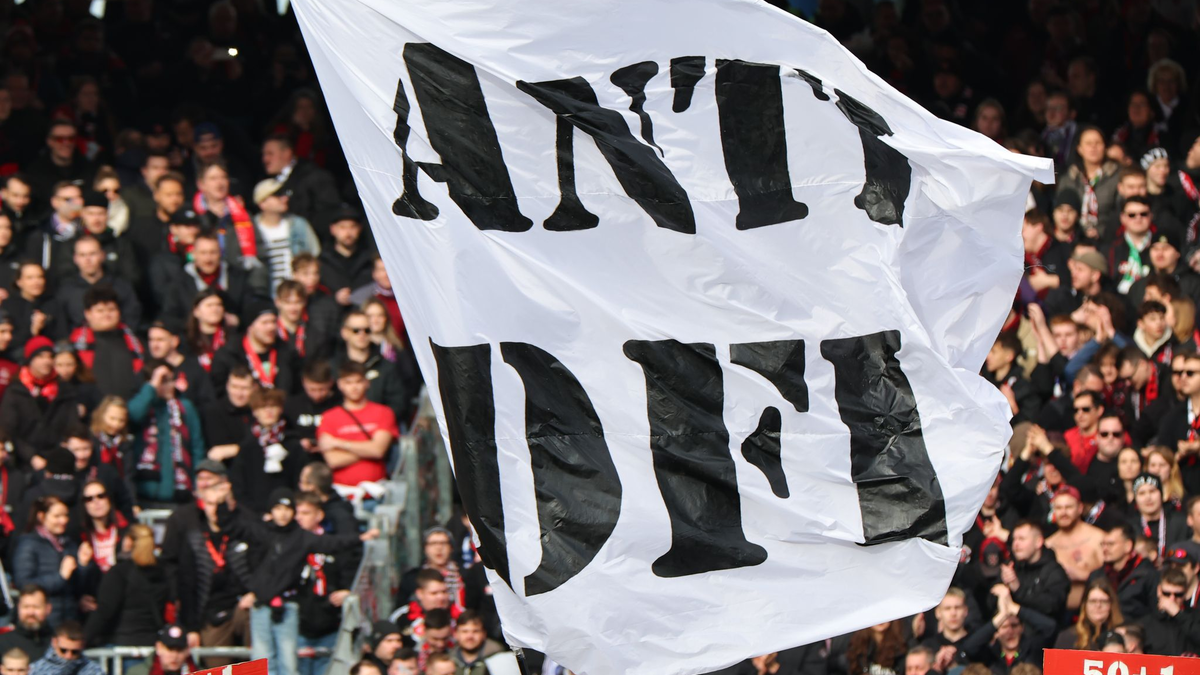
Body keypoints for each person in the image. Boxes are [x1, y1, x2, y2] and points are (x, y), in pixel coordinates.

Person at [218, 485, 374, 675]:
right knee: (262, 661)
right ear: (271, 511)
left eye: (287, 509)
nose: (282, 514)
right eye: (277, 509)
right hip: (261, 604)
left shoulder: (302, 538)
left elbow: (334, 543)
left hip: (287, 606)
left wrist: (360, 538)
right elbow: (232, 527)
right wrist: (223, 503)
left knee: (289, 663)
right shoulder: (262, 532)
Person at [317, 362, 398, 500]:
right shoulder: (329, 417)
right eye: (348, 382)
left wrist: (338, 443)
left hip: (377, 492)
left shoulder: (384, 412)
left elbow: (378, 450)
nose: (354, 387)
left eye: (358, 381)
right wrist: (369, 448)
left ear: (367, 383)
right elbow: (333, 460)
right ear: (340, 384)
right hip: (343, 495)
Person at [129, 360, 205, 506]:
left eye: (171, 380)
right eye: (163, 381)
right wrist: (151, 387)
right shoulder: (144, 406)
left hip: (181, 490)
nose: (169, 386)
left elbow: (197, 447)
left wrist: (198, 483)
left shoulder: (185, 407)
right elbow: (132, 415)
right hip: (146, 491)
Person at [295, 491, 355, 675]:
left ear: (319, 515)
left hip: (330, 625)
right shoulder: (289, 546)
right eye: (297, 513)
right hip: (298, 627)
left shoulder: (334, 544)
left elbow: (349, 573)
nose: (299, 518)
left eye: (305, 513)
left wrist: (347, 591)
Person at [0, 336, 81, 468]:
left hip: (56, 458)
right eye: (40, 356)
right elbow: (9, 431)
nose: (47, 361)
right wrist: (31, 456)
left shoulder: (64, 390)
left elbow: (71, 424)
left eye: (50, 357)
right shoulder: (16, 391)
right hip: (23, 463)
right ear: (30, 359)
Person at [83, 524, 167, 648]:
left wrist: (82, 640)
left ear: (128, 541)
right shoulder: (163, 571)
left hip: (122, 643)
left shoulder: (119, 572)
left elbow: (105, 611)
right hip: (153, 644)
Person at [12, 497, 91, 627]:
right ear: (42, 516)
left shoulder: (68, 544)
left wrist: (83, 564)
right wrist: (60, 577)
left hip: (69, 618)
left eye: (66, 515)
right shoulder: (28, 544)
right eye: (57, 516)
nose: (63, 520)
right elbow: (24, 584)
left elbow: (76, 587)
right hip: (44, 621)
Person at [231, 388, 301, 515]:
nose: (268, 411)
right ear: (254, 412)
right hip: (256, 517)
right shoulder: (247, 446)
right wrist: (256, 514)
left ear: (280, 409)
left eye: (273, 406)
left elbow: (299, 482)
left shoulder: (293, 444)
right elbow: (239, 486)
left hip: (288, 514)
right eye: (263, 407)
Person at [161, 231, 256, 324]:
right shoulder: (179, 282)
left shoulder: (238, 277)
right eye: (203, 253)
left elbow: (251, 310)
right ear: (194, 254)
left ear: (220, 253)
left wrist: (238, 320)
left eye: (213, 252)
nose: (208, 259)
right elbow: (170, 316)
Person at [67, 286, 144, 399]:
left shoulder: (135, 343)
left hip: (131, 406)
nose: (106, 315)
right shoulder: (75, 346)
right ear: (88, 314)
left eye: (111, 309)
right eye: (100, 310)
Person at [55, 234, 141, 332]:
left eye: (92, 254)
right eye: (82, 255)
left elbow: (132, 318)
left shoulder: (121, 286)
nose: (88, 260)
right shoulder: (66, 290)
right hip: (79, 344)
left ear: (102, 255)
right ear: (75, 258)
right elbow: (61, 327)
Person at [211, 301, 300, 393]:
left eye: (273, 322)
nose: (271, 327)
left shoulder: (287, 352)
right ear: (250, 326)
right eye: (265, 323)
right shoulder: (229, 355)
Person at [261, 135, 340, 234]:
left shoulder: (313, 176)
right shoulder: (269, 182)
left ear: (287, 153)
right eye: (263, 154)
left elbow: (329, 213)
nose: (265, 159)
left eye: (270, 154)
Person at [253, 179, 320, 292]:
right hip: (265, 295)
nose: (285, 198)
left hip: (296, 296)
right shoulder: (251, 228)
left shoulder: (298, 224)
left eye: (285, 193)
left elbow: (313, 255)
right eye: (278, 195)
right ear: (262, 203)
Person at [1045, 486, 1105, 611]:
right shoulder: (1048, 544)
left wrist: (1081, 574)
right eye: (1059, 508)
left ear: (1080, 508)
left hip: (1095, 610)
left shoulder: (1097, 538)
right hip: (1058, 613)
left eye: (1069, 507)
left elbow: (1111, 577)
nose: (1063, 512)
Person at [1089, 522, 1158, 621]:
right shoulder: (1096, 576)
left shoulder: (1148, 575)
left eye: (1110, 544)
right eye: (1103, 544)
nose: (1105, 549)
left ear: (1128, 546)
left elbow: (1155, 614)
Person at [1003, 520, 1070, 620]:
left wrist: (1019, 590)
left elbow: (1051, 606)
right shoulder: (1012, 567)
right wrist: (1004, 589)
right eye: (1014, 539)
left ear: (1038, 542)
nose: (1016, 544)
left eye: (1021, 539)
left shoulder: (1054, 571)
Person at [146, 319, 215, 409]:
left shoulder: (194, 369)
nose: (154, 345)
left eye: (160, 340)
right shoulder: (146, 368)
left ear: (175, 341)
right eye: (151, 340)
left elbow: (208, 403)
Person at [397, 528, 464, 611]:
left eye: (443, 543)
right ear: (425, 548)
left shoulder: (464, 575)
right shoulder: (411, 578)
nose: (439, 548)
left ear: (451, 547)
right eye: (433, 543)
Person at [319, 207, 374, 306]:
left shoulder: (370, 260)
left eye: (352, 227)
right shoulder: (322, 262)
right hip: (332, 316)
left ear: (360, 228)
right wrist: (334, 298)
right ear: (332, 229)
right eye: (342, 227)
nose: (348, 233)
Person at [1140, 568, 1200, 655]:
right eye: (1167, 594)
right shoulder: (1145, 623)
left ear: (1185, 593)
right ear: (1159, 591)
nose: (1172, 599)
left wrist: (1178, 614)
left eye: (1178, 595)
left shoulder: (1196, 618)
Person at [204, 365, 256, 464]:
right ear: (227, 386)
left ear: (254, 388)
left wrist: (234, 449)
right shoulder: (214, 411)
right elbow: (216, 451)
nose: (239, 394)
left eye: (244, 388)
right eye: (234, 387)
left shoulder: (258, 411)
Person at [285, 360, 341, 452]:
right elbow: (286, 434)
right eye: (312, 389)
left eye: (322, 389)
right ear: (304, 382)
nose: (317, 395)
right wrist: (299, 442)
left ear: (330, 382)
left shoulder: (341, 405)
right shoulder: (291, 405)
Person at [1054, 579, 1124, 650]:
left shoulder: (1122, 635)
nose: (1098, 605)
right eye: (1093, 601)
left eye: (1103, 601)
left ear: (1111, 604)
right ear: (1085, 605)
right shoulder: (1067, 637)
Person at [1129, 473, 1186, 558]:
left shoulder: (1181, 522)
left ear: (1161, 494)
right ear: (1135, 499)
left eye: (1152, 491)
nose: (1148, 497)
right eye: (1142, 493)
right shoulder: (1130, 529)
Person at [275, 280, 334, 360]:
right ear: (278, 302)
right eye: (288, 302)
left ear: (304, 302)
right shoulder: (271, 333)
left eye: (298, 302)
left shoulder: (316, 336)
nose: (293, 308)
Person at [0, 586, 54, 660]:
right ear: (18, 608)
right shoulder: (3, 643)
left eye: (36, 607)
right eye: (26, 607)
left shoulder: (59, 643)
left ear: (48, 609)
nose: (30, 612)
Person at [28, 622, 103, 675]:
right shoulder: (36, 670)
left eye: (75, 652)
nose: (68, 656)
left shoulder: (94, 671)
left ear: (82, 646)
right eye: (63, 650)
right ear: (54, 642)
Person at [124, 625, 197, 675]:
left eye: (179, 650)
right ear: (159, 648)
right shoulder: (137, 673)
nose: (174, 656)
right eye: (170, 649)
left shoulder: (202, 672)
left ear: (187, 650)